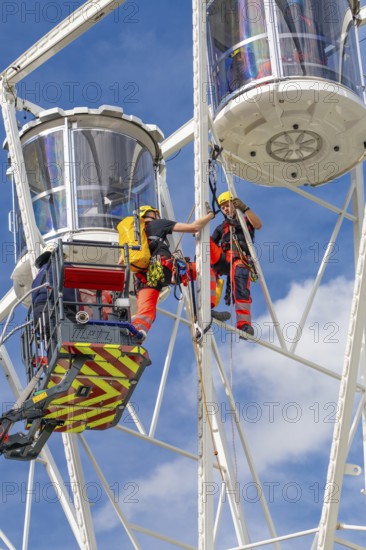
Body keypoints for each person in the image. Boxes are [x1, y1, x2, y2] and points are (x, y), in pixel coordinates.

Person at [128, 205, 231, 340]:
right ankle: (207, 310)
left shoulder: (134, 235)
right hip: (165, 269)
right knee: (207, 270)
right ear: (152, 215)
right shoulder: (159, 224)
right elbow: (194, 227)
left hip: (145, 278)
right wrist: (210, 215)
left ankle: (133, 338)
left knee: (144, 313)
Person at [210, 192, 262, 337]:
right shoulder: (222, 227)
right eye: (223, 207)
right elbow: (211, 244)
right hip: (223, 258)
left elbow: (258, 225)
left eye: (228, 205)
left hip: (239, 258)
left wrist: (245, 208)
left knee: (241, 283)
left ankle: (244, 324)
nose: (226, 209)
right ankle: (208, 306)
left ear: (234, 204)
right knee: (206, 250)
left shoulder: (245, 221)